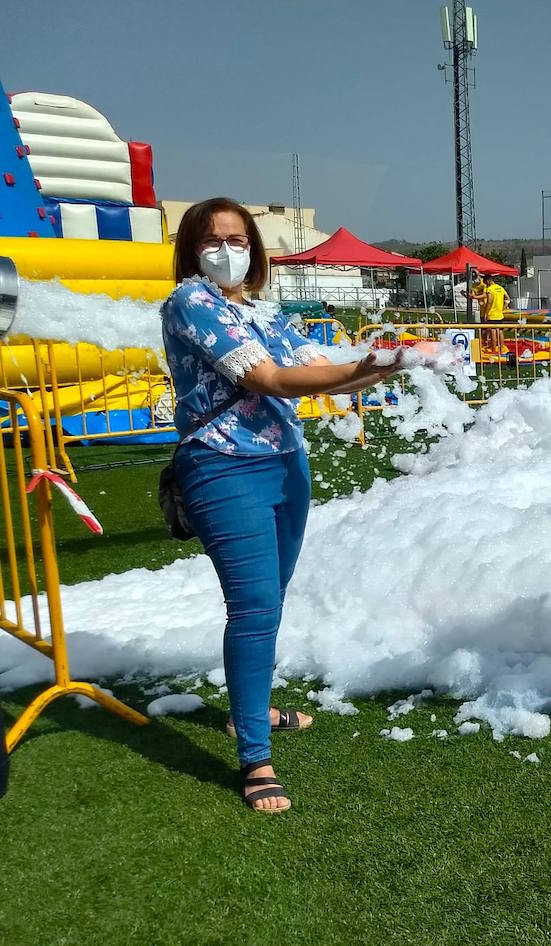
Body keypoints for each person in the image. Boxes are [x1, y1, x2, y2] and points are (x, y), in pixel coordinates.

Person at [161, 197, 399, 813]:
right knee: (254, 607)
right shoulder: (192, 304)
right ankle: (255, 756)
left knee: (272, 596)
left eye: (238, 240)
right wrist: (359, 367)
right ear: (191, 250)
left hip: (285, 464)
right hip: (222, 465)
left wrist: (395, 362)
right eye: (213, 241)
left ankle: (250, 707)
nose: (227, 251)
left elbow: (325, 371)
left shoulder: (262, 312)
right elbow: (266, 379)